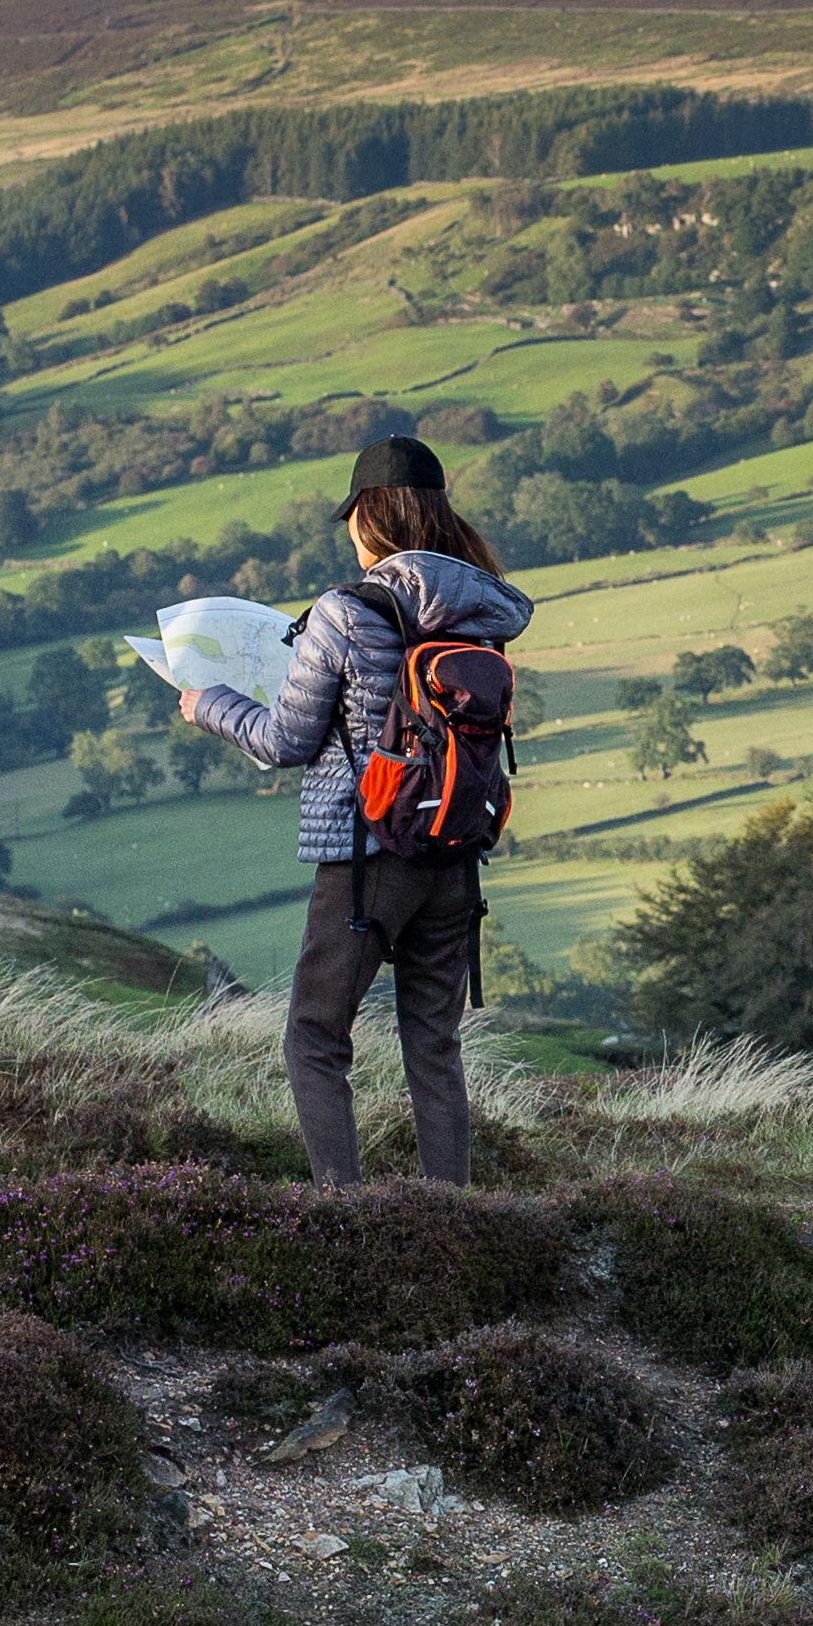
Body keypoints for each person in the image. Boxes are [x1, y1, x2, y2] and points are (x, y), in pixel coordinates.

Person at [180, 437, 532, 1186]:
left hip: (365, 854)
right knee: (433, 1045)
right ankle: (452, 1219)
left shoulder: (345, 611)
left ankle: (345, 1218)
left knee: (314, 1035)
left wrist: (208, 703)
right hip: (457, 848)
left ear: (368, 515)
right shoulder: (482, 610)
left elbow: (283, 740)